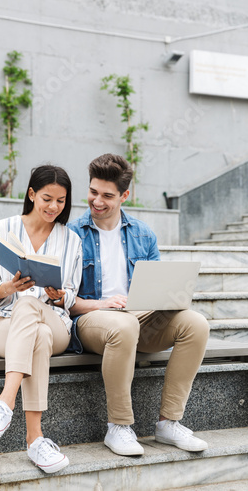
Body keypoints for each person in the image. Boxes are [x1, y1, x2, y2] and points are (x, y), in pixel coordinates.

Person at [68, 153, 210, 456]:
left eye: (107, 195)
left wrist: (170, 298)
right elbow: (62, 300)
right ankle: (118, 426)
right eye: (93, 192)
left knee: (195, 323)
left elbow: (156, 286)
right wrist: (103, 304)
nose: (97, 201)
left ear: (124, 196)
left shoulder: (143, 234)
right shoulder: (71, 233)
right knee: (124, 324)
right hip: (92, 319)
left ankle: (168, 423)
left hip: (138, 318)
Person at [0, 165, 82, 474]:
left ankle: (4, 404)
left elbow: (72, 294)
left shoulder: (71, 240)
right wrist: (9, 287)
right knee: (35, 329)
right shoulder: (3, 229)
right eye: (47, 198)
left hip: (55, 322)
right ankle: (35, 440)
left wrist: (60, 294)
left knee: (34, 307)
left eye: (61, 201)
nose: (53, 207)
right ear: (32, 194)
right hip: (3, 325)